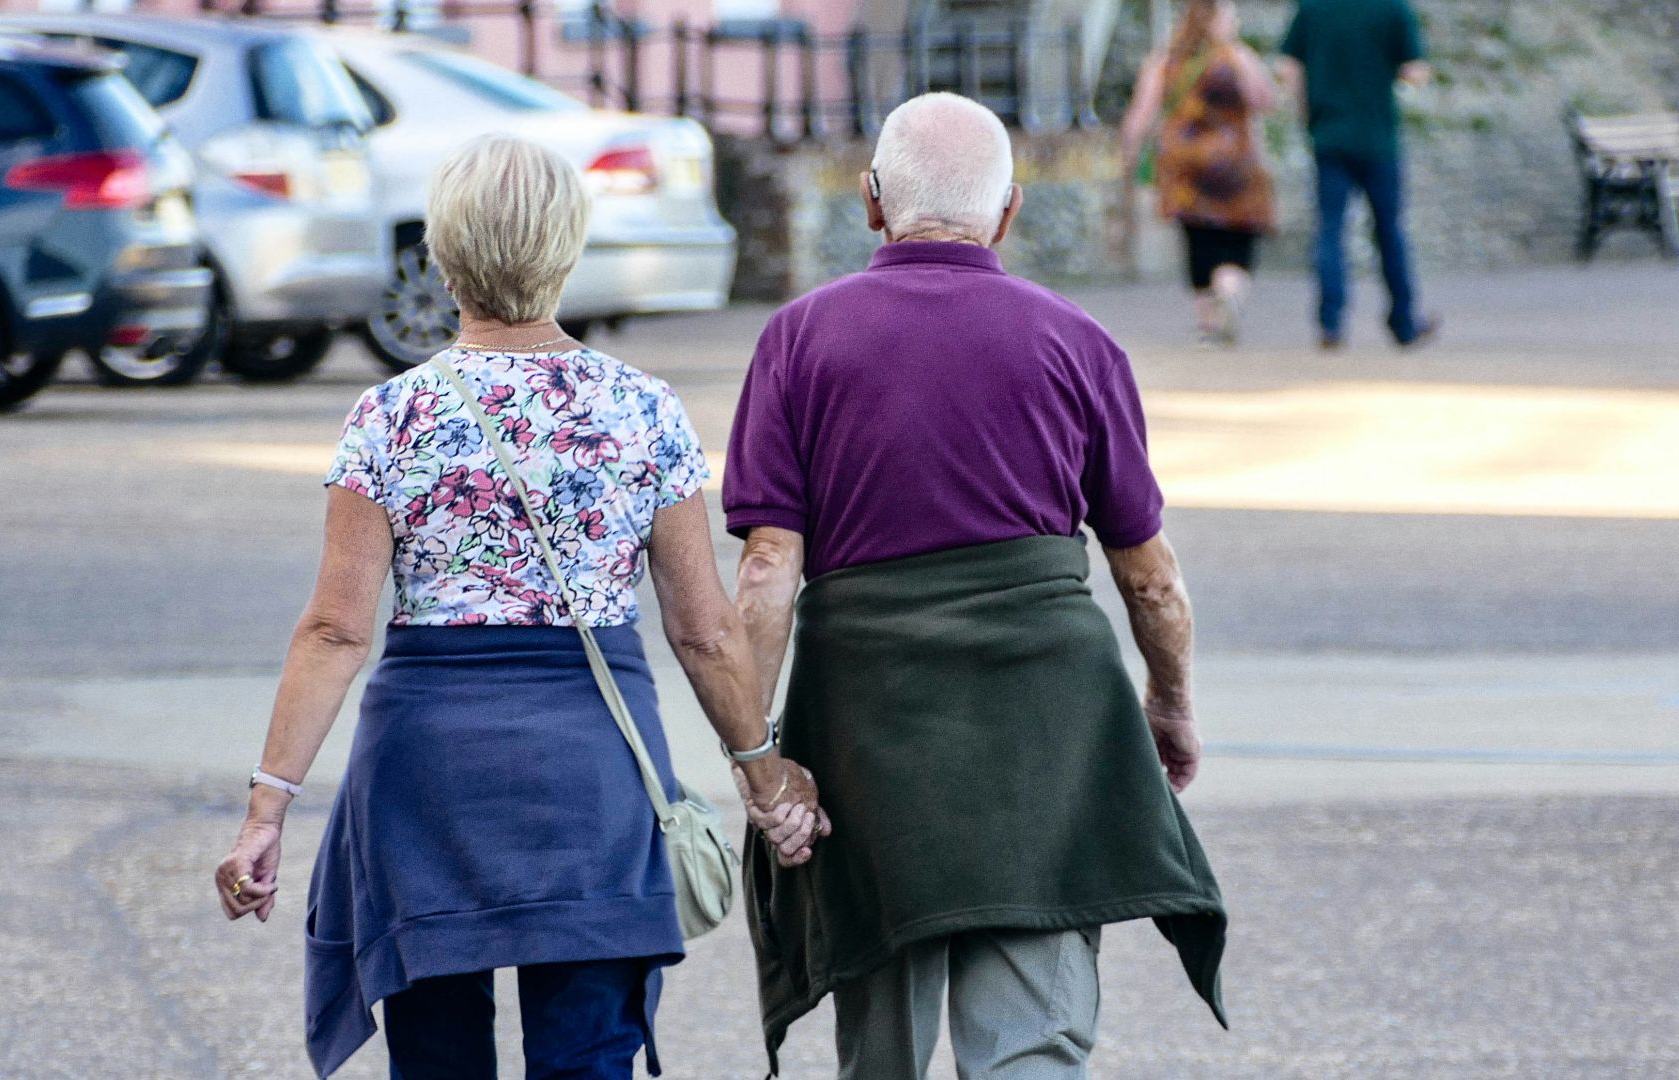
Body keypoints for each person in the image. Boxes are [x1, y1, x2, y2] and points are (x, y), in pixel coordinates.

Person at [212, 135, 825, 1080]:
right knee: (587, 1054)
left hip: (425, 781)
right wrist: (760, 769)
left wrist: (267, 809)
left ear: (446, 256)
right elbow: (704, 631)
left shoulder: (391, 416)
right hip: (593, 772)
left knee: (438, 1055)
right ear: (568, 249)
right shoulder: (643, 411)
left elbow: (336, 630)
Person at [724, 92, 1229, 1080]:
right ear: (1009, 212)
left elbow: (766, 573)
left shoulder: (797, 342)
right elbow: (1151, 578)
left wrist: (758, 754)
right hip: (1045, 727)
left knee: (883, 1048)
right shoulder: (1078, 343)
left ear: (871, 203)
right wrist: (1167, 704)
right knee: (1032, 1045)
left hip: (871, 728)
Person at [1278, 0, 1441, 349]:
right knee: (1388, 230)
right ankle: (1404, 321)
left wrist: (1307, 113)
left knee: (1331, 228)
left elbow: (1289, 68)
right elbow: (1415, 71)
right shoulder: (1391, 9)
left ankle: (1330, 322)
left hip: (1329, 136)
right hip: (1377, 138)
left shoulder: (1313, 8)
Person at [1121, 0, 1278, 346]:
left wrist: (1130, 154)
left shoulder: (1166, 59)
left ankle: (1207, 322)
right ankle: (1230, 288)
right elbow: (1265, 99)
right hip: (1236, 161)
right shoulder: (1237, 57)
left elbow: (1141, 113)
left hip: (1185, 165)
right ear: (1217, 21)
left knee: (1197, 237)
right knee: (1239, 235)